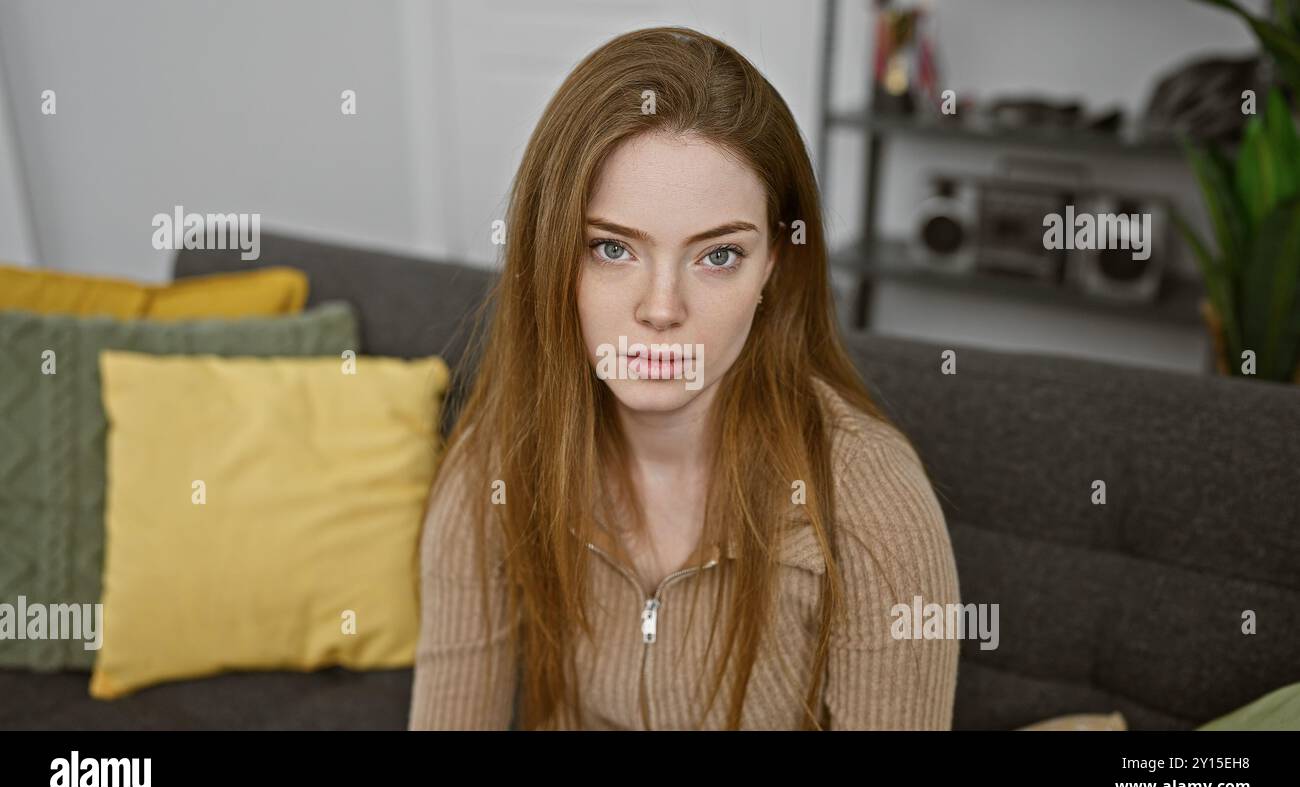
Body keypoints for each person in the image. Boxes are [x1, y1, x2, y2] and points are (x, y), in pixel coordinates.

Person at [408, 25, 960, 730]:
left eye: (718, 255)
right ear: (552, 257)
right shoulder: (495, 463)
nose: (661, 309)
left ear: (774, 267)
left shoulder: (873, 506)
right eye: (612, 247)